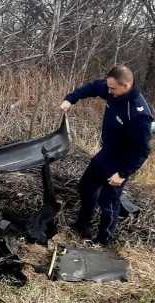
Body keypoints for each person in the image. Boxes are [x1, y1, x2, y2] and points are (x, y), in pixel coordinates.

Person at [60, 65, 152, 246]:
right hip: (106, 153)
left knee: (108, 201)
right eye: (108, 87)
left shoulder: (139, 114)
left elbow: (142, 150)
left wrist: (123, 173)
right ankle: (81, 225)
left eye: (112, 88)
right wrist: (71, 99)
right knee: (86, 185)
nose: (108, 91)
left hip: (120, 162)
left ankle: (104, 239)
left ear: (126, 85)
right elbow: (94, 87)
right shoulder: (113, 91)